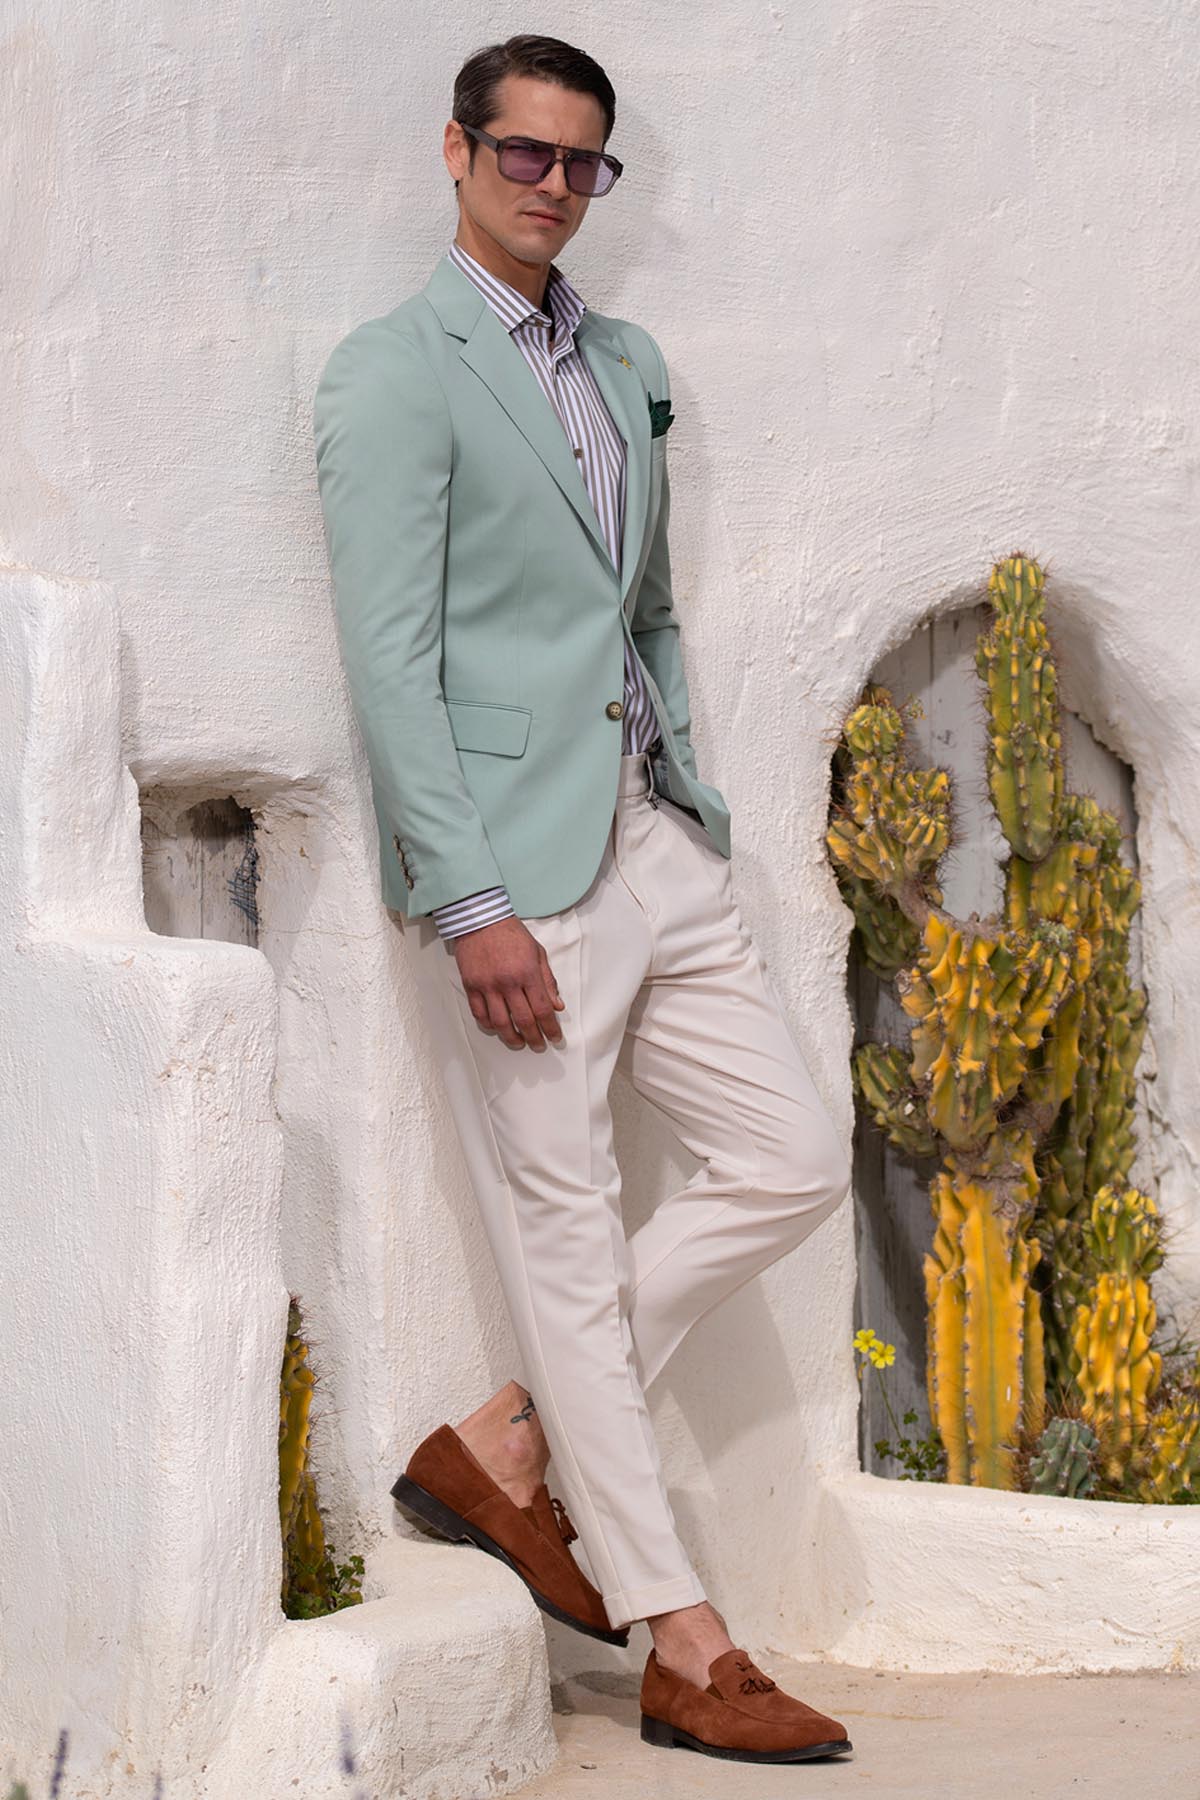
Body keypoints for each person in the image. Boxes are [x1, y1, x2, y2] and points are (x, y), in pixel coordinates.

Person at [313, 31, 854, 1765]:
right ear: (457, 152)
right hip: (515, 870)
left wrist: (686, 796)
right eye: (523, 153)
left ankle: (514, 1441)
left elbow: (651, 609)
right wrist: (467, 898)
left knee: (792, 1153)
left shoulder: (625, 364)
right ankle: (681, 1638)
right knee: (566, 1233)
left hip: (650, 836)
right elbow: (391, 661)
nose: (552, 185)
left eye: (581, 162)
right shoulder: (395, 372)